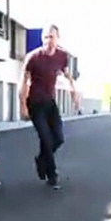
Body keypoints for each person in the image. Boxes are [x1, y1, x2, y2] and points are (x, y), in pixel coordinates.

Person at [19, 24, 78, 189]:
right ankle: (52, 174)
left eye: (51, 37)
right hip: (35, 102)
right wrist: (23, 105)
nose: (48, 40)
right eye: (45, 37)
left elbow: (67, 75)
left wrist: (74, 92)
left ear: (57, 38)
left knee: (58, 138)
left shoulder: (62, 56)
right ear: (42, 39)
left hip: (50, 102)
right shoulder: (33, 57)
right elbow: (23, 81)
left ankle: (41, 159)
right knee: (46, 138)